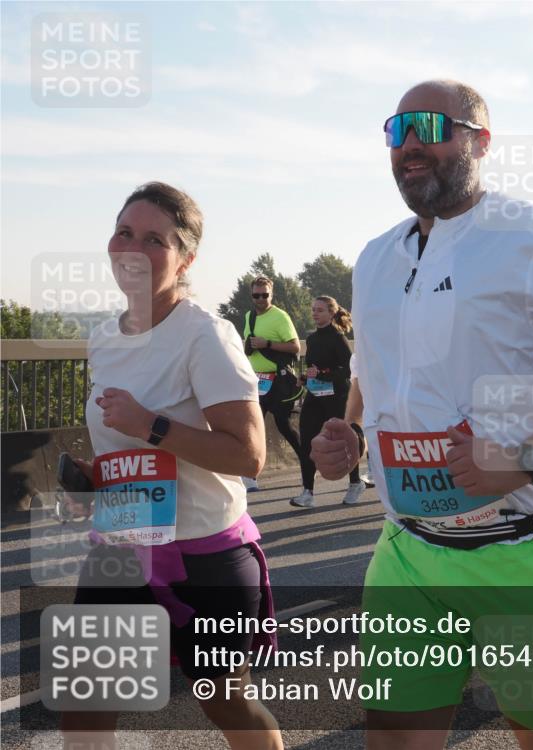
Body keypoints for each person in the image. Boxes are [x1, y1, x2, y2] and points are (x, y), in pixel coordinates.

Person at [310, 80, 533, 749]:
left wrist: (520, 462)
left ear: (479, 140)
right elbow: (369, 367)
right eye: (397, 129)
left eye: (428, 126)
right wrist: (349, 430)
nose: (410, 143)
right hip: (409, 550)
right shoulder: (376, 257)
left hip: (528, 551)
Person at [60, 182, 281, 749]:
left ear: (186, 258)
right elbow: (128, 448)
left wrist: (150, 425)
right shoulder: (105, 337)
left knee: (226, 703)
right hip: (121, 547)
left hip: (204, 557)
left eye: (154, 239)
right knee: (84, 709)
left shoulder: (206, 336)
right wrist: (96, 479)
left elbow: (248, 456)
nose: (132, 249)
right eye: (123, 233)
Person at [290, 296, 366, 507]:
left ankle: (355, 483)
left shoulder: (338, 338)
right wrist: (305, 377)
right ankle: (307, 492)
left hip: (337, 397)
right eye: (313, 309)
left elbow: (347, 370)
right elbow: (315, 368)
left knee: (344, 442)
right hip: (315, 396)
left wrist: (324, 375)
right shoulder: (312, 339)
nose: (315, 313)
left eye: (320, 310)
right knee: (308, 440)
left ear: (331, 313)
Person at [242, 275, 302, 490]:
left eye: (265, 295)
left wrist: (267, 343)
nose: (260, 299)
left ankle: (306, 463)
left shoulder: (280, 316)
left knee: (284, 425)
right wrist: (249, 347)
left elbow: (296, 347)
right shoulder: (249, 316)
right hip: (257, 380)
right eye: (256, 295)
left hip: (278, 380)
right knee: (251, 426)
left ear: (271, 294)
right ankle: (249, 476)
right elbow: (248, 346)